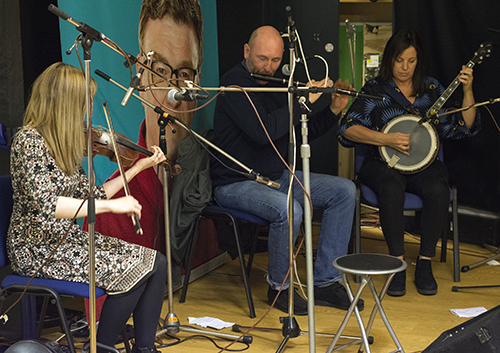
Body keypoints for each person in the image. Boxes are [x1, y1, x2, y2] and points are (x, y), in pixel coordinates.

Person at [7, 62, 167, 352]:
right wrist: (113, 208)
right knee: (130, 270)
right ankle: (101, 348)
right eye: (84, 102)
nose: (88, 110)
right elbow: (49, 204)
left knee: (157, 263)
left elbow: (94, 194)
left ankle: (146, 349)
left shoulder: (64, 144)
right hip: (38, 249)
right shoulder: (28, 141)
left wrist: (139, 166)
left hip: (67, 241)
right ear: (64, 102)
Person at [210, 25, 359, 315]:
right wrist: (299, 100)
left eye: (275, 61)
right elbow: (262, 131)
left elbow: (300, 129)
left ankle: (326, 281)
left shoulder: (279, 84)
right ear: (246, 51)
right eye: (262, 58)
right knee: (289, 209)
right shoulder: (235, 85)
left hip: (275, 176)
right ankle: (279, 289)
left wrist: (332, 110)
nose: (268, 67)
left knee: (344, 191)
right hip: (235, 182)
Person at [338, 30, 480, 297]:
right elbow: (347, 129)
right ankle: (397, 263)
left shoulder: (433, 89)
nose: (404, 68)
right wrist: (386, 139)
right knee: (392, 187)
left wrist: (468, 89)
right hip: (380, 163)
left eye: (411, 61)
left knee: (439, 188)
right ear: (389, 59)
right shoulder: (374, 90)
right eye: (399, 60)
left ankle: (424, 263)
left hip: (423, 166)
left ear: (419, 61)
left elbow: (464, 126)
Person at [90, 0, 211, 272]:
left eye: (183, 74)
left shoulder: (215, 198)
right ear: (140, 75)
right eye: (160, 71)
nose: (172, 94)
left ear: (198, 81)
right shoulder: (112, 211)